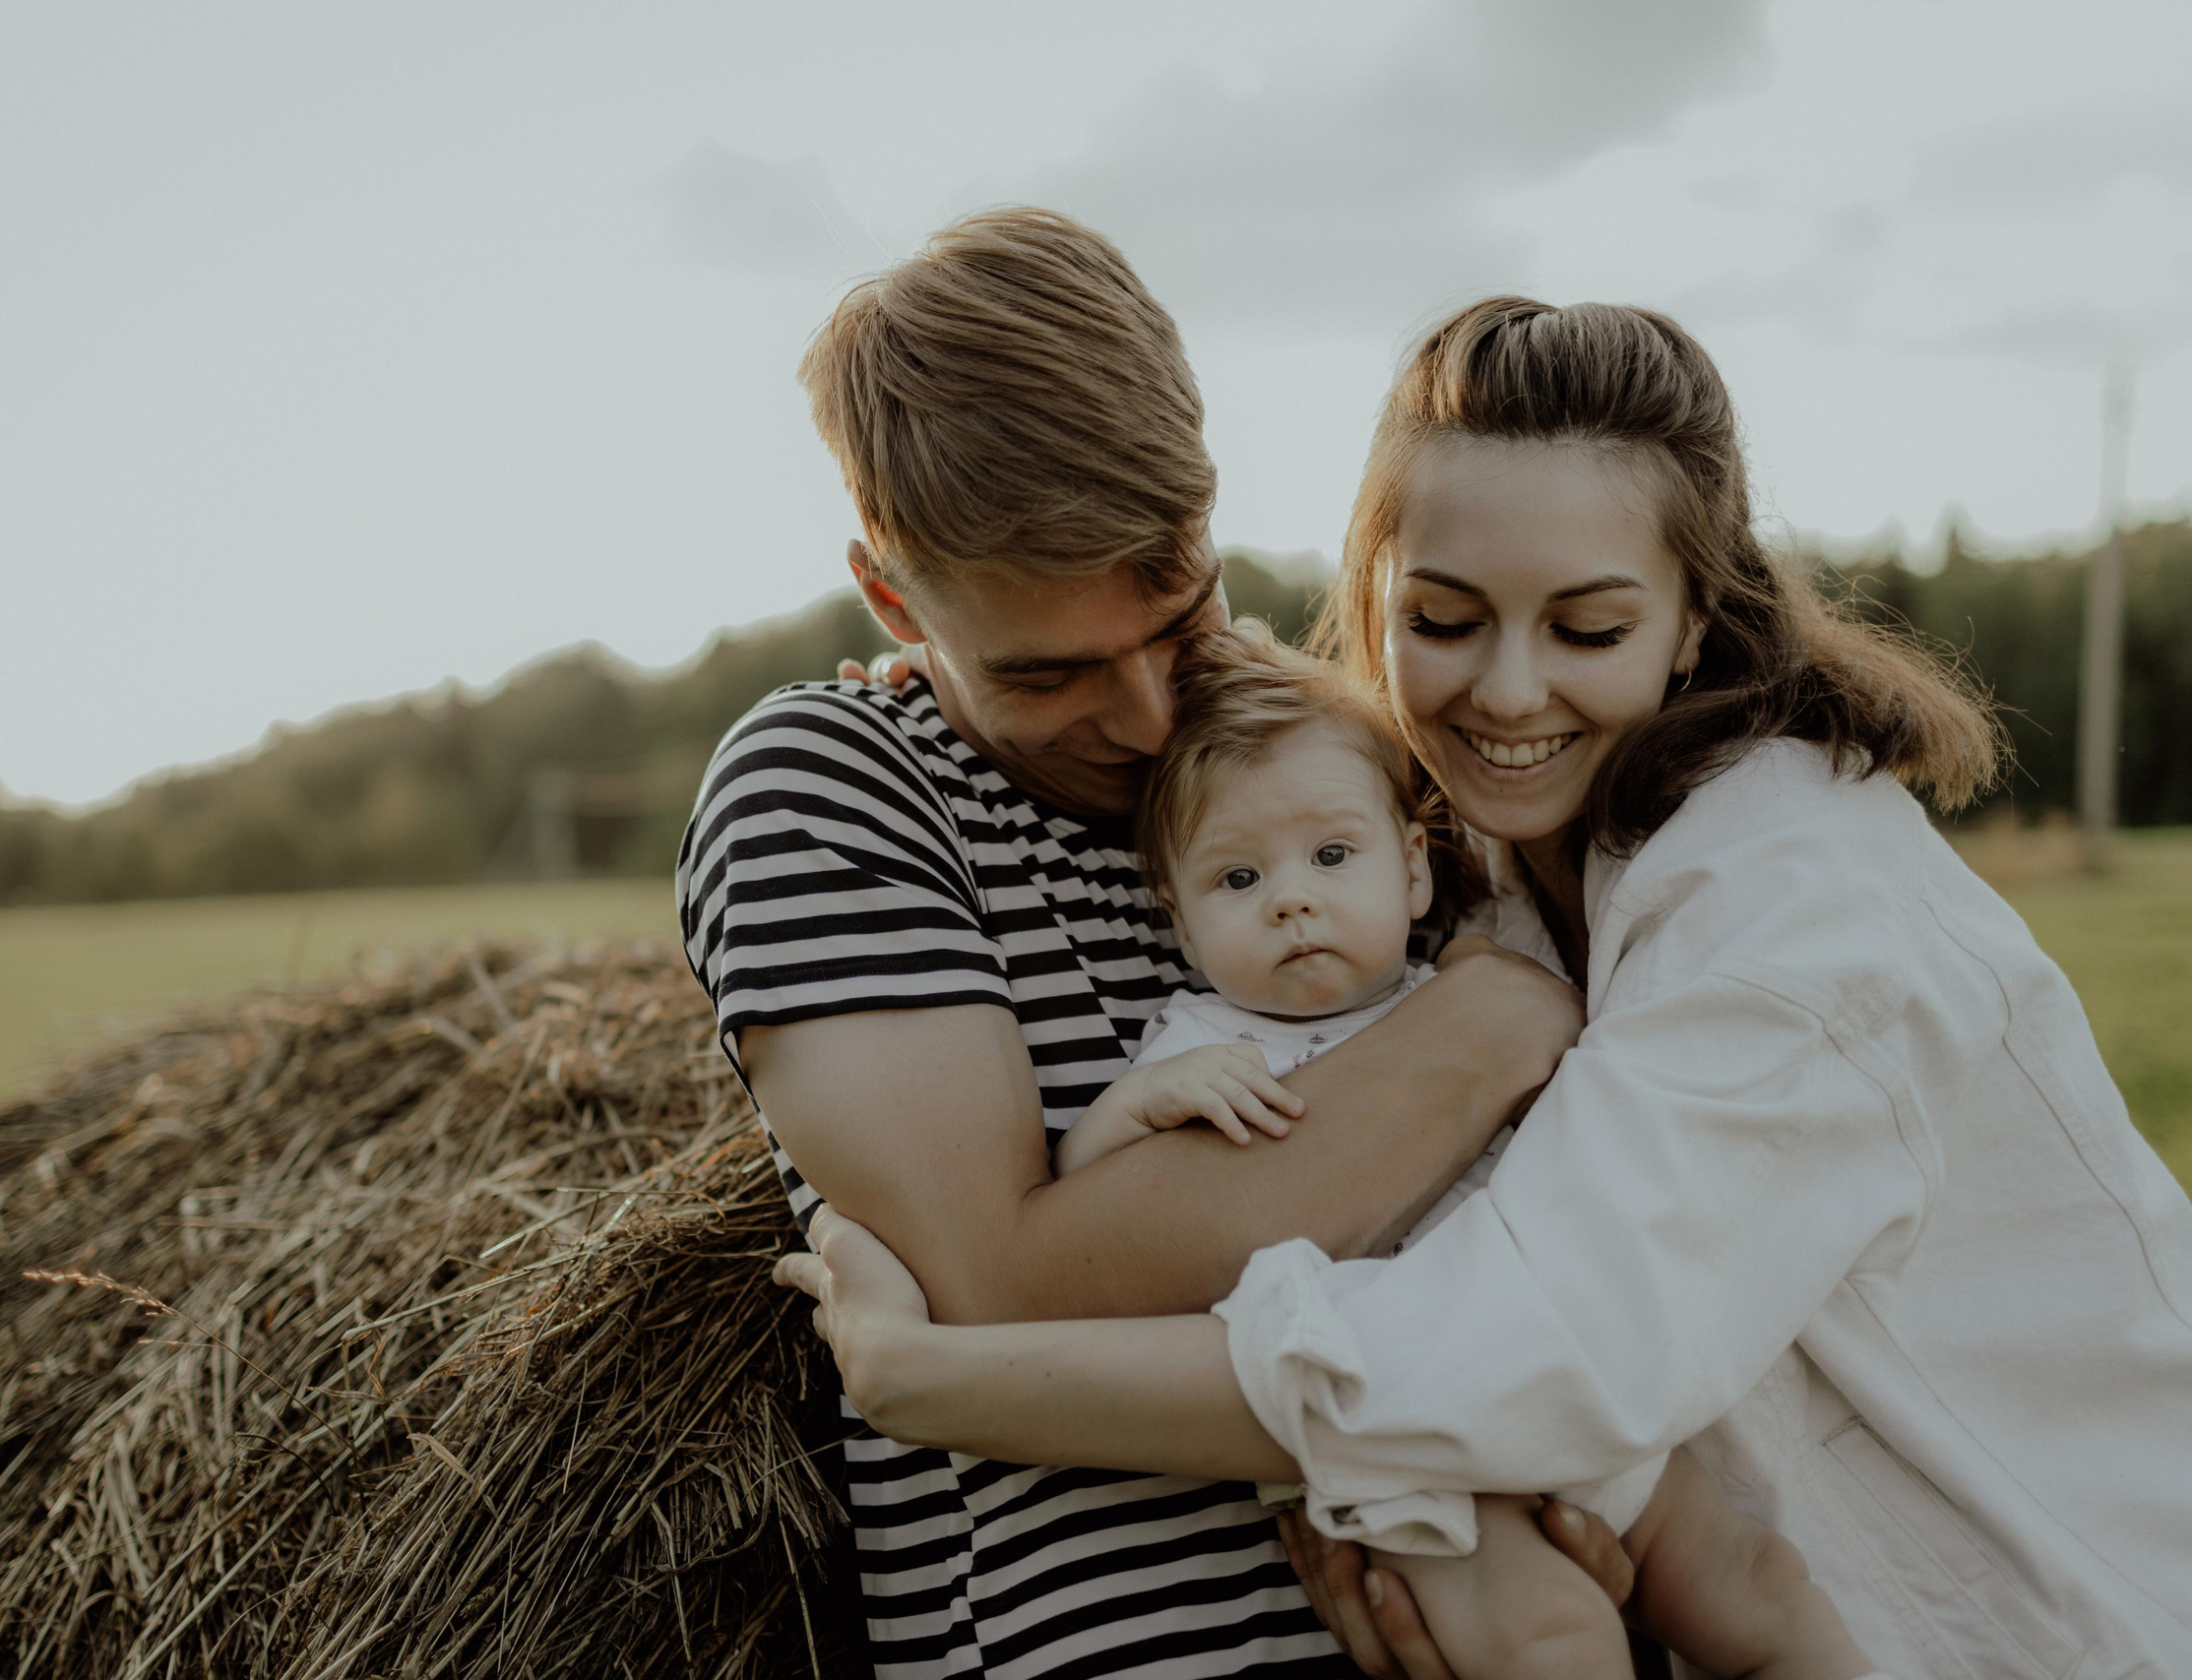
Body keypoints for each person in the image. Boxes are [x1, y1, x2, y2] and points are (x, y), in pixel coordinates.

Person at [777, 294, 2192, 1678]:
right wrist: (942, 676)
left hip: (2059, 1618)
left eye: (1587, 629)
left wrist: (930, 1382)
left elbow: (1534, 1348)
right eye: (1445, 618)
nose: (1510, 694)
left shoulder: (1798, 899)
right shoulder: (1479, 852)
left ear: (1695, 616)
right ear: (1372, 599)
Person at [677, 212, 1609, 1676]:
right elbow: (1012, 1286)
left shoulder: (1293, 731)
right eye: (1045, 671)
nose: (1150, 721)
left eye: (1179, 616)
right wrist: (1498, 1023)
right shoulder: (829, 789)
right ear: (891, 596)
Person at [1026, 620, 1867, 1680]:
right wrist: (1139, 1108)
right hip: (1399, 1431)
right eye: (1236, 881)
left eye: (1333, 857)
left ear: (1413, 872)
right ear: (1179, 923)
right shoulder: (1201, 1047)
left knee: (1755, 1582)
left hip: (1551, 1361)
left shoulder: (1461, 992)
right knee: (1548, 1636)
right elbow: (1078, 1218)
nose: (1291, 898)